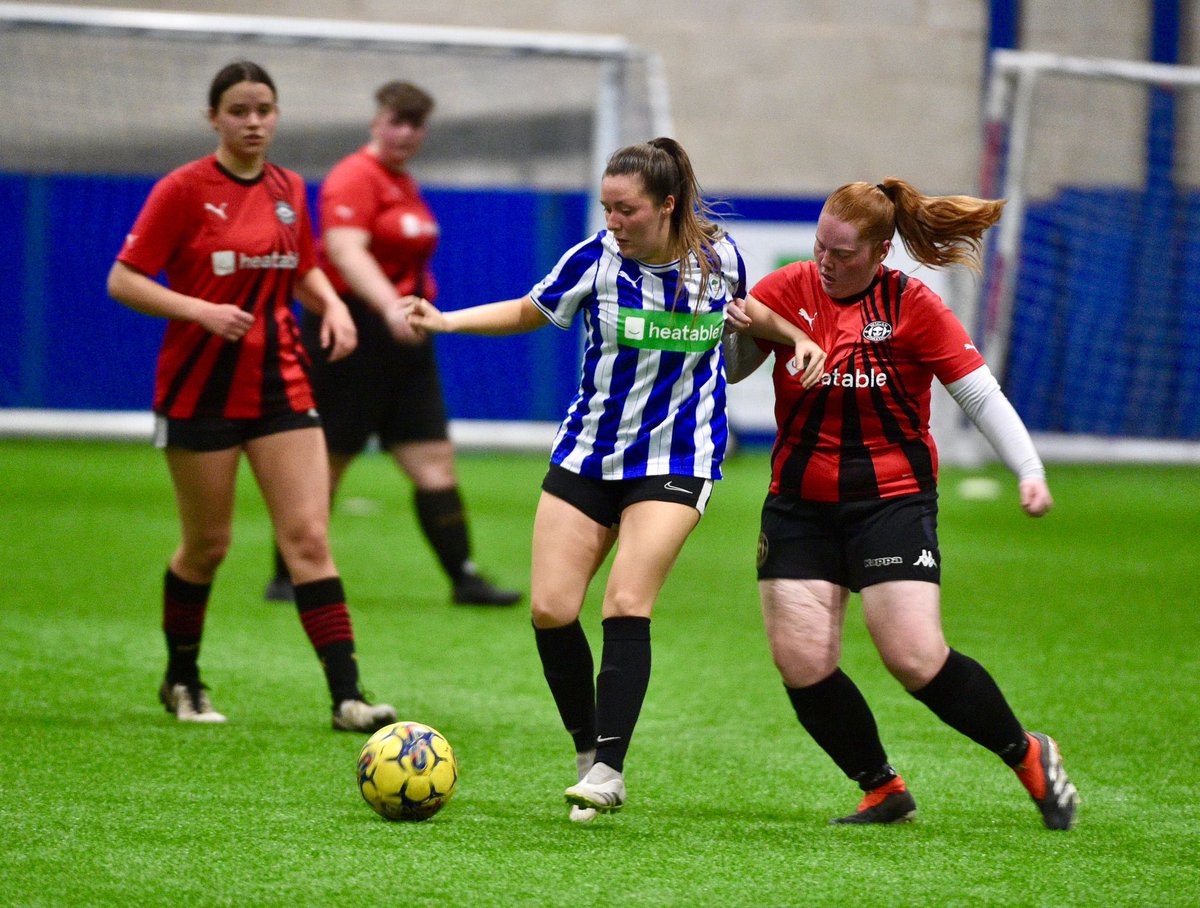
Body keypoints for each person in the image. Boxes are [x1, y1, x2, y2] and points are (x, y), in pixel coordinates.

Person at [408, 138, 825, 821]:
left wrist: (794, 337)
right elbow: (528, 309)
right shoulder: (595, 261)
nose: (613, 222)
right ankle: (586, 749)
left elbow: (743, 319)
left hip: (680, 458)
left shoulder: (719, 259)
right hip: (590, 454)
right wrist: (445, 320)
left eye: (626, 209)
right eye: (606, 207)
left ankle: (609, 767)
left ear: (667, 206)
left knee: (627, 601)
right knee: (551, 609)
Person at [722, 178, 1080, 830]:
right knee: (802, 663)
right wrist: (737, 330)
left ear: (882, 250)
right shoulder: (788, 289)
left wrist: (1028, 470)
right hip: (798, 503)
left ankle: (1028, 753)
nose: (826, 262)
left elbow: (979, 395)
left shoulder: (913, 305)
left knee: (913, 657)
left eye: (844, 252)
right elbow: (734, 369)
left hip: (891, 501)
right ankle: (881, 787)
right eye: (820, 246)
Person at [107, 61, 397, 733]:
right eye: (238, 110)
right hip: (198, 387)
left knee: (309, 536)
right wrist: (197, 310)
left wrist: (333, 308)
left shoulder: (289, 188)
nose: (253, 121)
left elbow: (304, 268)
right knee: (207, 545)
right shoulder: (182, 190)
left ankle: (348, 697)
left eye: (264, 109)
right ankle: (182, 679)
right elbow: (123, 280)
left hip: (280, 381)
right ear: (214, 117)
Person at [263, 80, 520, 608]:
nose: (404, 132)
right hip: (350, 332)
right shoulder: (355, 176)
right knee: (327, 460)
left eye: (415, 124)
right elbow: (343, 249)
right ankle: (287, 575)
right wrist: (387, 306)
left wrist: (408, 311)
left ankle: (464, 577)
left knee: (434, 461)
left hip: (407, 337)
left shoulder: (403, 183)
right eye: (395, 120)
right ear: (376, 122)